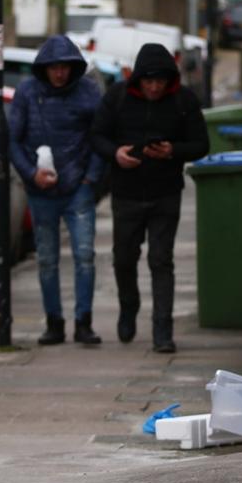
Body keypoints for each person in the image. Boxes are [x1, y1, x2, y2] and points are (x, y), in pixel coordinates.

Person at [91, 43, 208, 352]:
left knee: (161, 260)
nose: (155, 87)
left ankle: (162, 330)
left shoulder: (183, 100)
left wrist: (173, 151)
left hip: (166, 193)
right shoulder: (117, 97)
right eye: (148, 81)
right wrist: (115, 154)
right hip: (126, 193)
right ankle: (129, 306)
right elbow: (97, 135)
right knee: (123, 258)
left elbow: (201, 144)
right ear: (138, 79)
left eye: (160, 81)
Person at [8, 34, 105, 346]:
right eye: (54, 67)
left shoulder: (89, 92)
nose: (60, 73)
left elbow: (100, 137)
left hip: (78, 187)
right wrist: (30, 174)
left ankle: (83, 322)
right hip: (41, 190)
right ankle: (54, 322)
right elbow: (12, 140)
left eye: (65, 67)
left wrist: (90, 178)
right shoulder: (26, 93)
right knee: (47, 259)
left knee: (84, 255)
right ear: (44, 68)